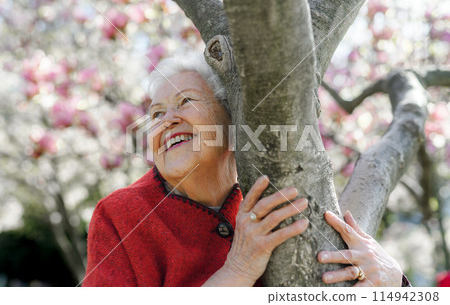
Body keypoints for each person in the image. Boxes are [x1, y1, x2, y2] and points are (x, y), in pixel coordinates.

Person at [82, 51, 410, 287]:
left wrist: (394, 283)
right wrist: (237, 271)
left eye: (185, 102)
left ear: (233, 123)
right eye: (155, 114)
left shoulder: (278, 197)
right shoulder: (120, 215)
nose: (167, 121)